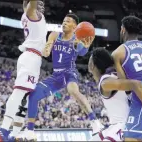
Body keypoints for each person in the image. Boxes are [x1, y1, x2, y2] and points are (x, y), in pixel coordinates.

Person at [18, 13, 102, 141]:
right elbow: (46, 52)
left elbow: (82, 51)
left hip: (69, 72)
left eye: (68, 21)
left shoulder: (76, 39)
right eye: (64, 20)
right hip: (56, 75)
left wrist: (86, 46)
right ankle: (30, 130)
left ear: (75, 27)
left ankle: (94, 122)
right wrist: (43, 49)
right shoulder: (54, 35)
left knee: (73, 91)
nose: (64, 23)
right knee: (33, 95)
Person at [0, 0, 47, 141]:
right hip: (31, 57)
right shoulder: (31, 15)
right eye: (38, 3)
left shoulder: (35, 18)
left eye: (42, 4)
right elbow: (30, 6)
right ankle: (4, 129)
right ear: (29, 5)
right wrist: (30, 4)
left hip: (33, 58)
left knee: (25, 98)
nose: (41, 6)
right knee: (19, 93)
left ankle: (13, 134)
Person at [88, 48, 142, 141]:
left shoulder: (106, 83)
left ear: (92, 65)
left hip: (125, 126)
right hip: (119, 125)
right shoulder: (116, 76)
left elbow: (138, 85)